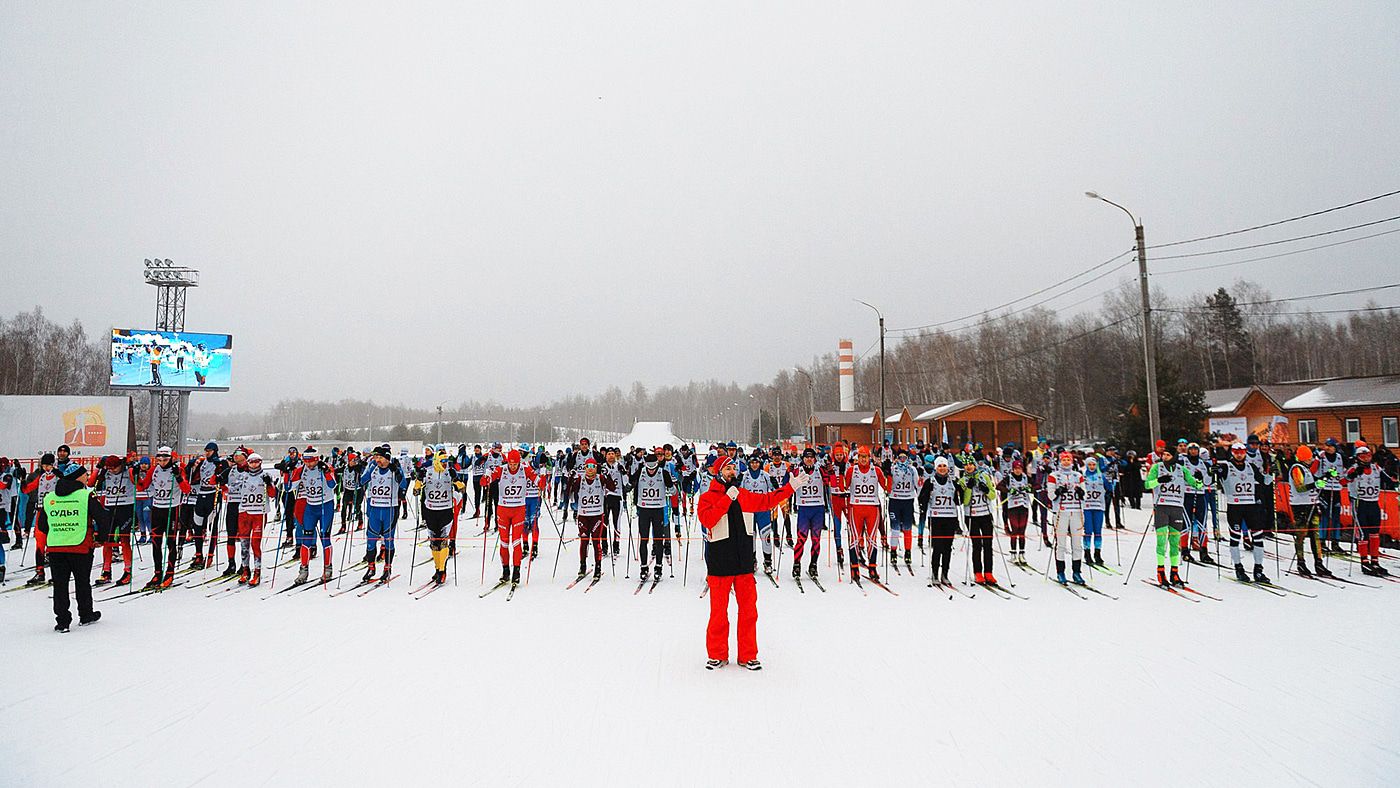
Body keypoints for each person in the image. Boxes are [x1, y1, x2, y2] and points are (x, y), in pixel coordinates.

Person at [697, 454, 802, 671]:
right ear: (718, 473)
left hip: (744, 562)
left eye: (734, 468)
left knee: (748, 612)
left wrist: (790, 488)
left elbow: (767, 500)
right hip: (719, 564)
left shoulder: (743, 495)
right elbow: (708, 519)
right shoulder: (708, 497)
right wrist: (727, 499)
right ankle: (717, 654)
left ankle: (748, 655)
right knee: (718, 613)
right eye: (727, 469)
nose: (732, 472)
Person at [42, 467, 101, 632]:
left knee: (60, 585)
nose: (87, 477)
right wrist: (101, 538)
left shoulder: (50, 497)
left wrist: (59, 532)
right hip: (80, 546)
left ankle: (62, 621)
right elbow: (103, 517)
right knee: (82, 582)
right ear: (78, 477)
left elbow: (42, 525)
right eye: (85, 475)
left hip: (55, 547)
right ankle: (86, 615)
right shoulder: (85, 495)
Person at [480, 449, 546, 589]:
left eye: (515, 464)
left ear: (519, 462)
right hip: (503, 510)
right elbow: (484, 482)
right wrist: (486, 478)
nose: (513, 466)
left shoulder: (525, 469)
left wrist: (543, 476)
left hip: (518, 510)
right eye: (511, 463)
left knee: (516, 542)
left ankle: (516, 571)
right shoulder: (501, 469)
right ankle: (505, 571)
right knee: (504, 543)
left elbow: (540, 483)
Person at [1144, 444, 1200, 587]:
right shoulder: (1157, 467)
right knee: (1161, 542)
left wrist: (1199, 479)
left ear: (1174, 456)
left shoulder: (1182, 470)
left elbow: (1197, 486)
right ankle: (1160, 571)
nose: (1165, 457)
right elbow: (1147, 485)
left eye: (1168, 455)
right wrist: (1158, 481)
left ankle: (1174, 572)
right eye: (1163, 455)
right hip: (1162, 507)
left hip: (1177, 508)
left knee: (1175, 543)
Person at [137, 446, 191, 589]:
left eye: (165, 459)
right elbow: (142, 486)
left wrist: (178, 477)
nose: (162, 462)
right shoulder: (153, 470)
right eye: (159, 460)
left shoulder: (178, 469)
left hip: (172, 509)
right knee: (156, 542)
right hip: (157, 509)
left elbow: (187, 489)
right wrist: (135, 474)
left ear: (170, 458)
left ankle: (170, 572)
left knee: (171, 542)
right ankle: (157, 572)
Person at [1220, 442, 1273, 584]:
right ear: (1232, 452)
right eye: (1236, 452)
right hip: (1235, 507)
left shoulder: (1251, 466)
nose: (1239, 454)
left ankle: (1258, 570)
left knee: (1258, 537)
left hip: (1251, 506)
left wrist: (1271, 474)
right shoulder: (1226, 466)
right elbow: (1211, 478)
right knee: (1235, 538)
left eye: (1242, 451)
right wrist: (1213, 471)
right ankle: (1239, 568)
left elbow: (1265, 482)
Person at [413, 448, 463, 587]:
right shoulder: (428, 472)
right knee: (434, 543)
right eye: (443, 461)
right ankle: (437, 568)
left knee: (443, 542)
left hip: (446, 511)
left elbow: (462, 489)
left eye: (447, 461)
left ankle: (443, 570)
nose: (446, 463)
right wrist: (418, 479)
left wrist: (456, 479)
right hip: (430, 511)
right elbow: (415, 491)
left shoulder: (449, 472)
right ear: (436, 461)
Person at [288, 447, 336, 585]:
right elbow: (288, 488)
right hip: (310, 507)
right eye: (306, 461)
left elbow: (332, 484)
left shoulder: (325, 467)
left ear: (317, 459)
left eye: (311, 461)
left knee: (325, 537)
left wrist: (326, 471)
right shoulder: (301, 470)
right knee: (306, 540)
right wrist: (287, 472)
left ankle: (328, 569)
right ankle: (303, 571)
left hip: (325, 506)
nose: (308, 464)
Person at [628, 451, 678, 584]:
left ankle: (658, 567)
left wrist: (672, 486)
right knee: (644, 539)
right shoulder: (641, 471)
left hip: (658, 510)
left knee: (658, 540)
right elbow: (631, 481)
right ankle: (643, 567)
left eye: (653, 466)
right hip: (644, 509)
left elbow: (673, 491)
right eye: (649, 467)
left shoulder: (663, 472)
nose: (651, 470)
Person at [843, 445, 890, 584]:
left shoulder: (876, 470)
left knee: (871, 539)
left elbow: (887, 487)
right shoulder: (852, 470)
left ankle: (872, 567)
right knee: (855, 539)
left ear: (869, 457)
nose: (863, 460)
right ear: (858, 458)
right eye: (861, 457)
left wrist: (889, 474)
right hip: (856, 507)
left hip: (872, 508)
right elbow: (844, 486)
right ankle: (854, 567)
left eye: (866, 457)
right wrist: (839, 475)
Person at [361, 447, 408, 584]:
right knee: (370, 540)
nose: (377, 460)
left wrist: (398, 473)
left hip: (389, 509)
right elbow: (362, 482)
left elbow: (404, 484)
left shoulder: (394, 467)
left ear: (387, 458)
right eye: (376, 458)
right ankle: (371, 568)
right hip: (375, 508)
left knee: (388, 540)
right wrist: (364, 471)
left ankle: (387, 568)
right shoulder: (373, 467)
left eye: (380, 458)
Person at [1345, 444, 1393, 576]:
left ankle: (1375, 561)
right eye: (1363, 456)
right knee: (1363, 534)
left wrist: (1393, 480)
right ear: (1358, 457)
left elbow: (1388, 480)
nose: (1366, 458)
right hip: (1360, 504)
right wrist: (1353, 475)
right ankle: (1364, 563)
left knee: (1375, 533)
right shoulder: (1354, 468)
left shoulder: (1375, 467)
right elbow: (1343, 481)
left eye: (1368, 455)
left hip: (1373, 503)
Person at [91, 454, 138, 587]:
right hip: (110, 507)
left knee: (124, 539)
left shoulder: (127, 470)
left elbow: (137, 483)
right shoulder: (106, 472)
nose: (111, 470)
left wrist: (134, 469)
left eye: (114, 468)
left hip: (126, 507)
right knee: (107, 540)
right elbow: (90, 483)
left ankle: (127, 571)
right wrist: (98, 468)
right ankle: (106, 571)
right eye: (109, 468)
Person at [1286, 445, 1331, 579]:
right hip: (1300, 506)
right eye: (1310, 456)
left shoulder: (1306, 469)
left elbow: (1312, 484)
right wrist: (1316, 485)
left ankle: (1319, 563)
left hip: (1312, 503)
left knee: (1315, 535)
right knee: (1301, 534)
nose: (1312, 459)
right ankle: (1301, 563)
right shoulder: (1296, 468)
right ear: (1305, 457)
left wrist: (1324, 477)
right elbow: (1299, 487)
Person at [568, 458, 616, 581]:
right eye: (588, 466)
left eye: (593, 466)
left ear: (596, 468)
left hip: (597, 515)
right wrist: (570, 478)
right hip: (583, 516)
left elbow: (612, 488)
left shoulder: (600, 478)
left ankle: (598, 568)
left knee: (596, 542)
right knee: (584, 541)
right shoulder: (581, 479)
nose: (590, 468)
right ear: (585, 467)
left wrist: (607, 474)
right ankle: (582, 566)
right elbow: (570, 490)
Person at [236, 454, 279, 586]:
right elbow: (231, 490)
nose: (254, 465)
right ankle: (245, 570)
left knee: (255, 543)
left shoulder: (265, 475)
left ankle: (257, 572)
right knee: (244, 544)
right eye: (251, 462)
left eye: (256, 462)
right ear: (248, 463)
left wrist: (269, 484)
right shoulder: (242, 475)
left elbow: (272, 494)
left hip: (259, 513)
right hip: (244, 512)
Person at [1045, 450, 1086, 585]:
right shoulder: (1054, 476)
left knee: (1077, 544)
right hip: (1061, 512)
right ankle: (1060, 572)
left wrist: (1080, 492)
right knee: (1061, 544)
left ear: (1072, 461)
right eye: (1064, 460)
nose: (1066, 462)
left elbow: (1085, 496)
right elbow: (1050, 496)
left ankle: (1076, 572)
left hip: (1076, 512)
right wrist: (1058, 491)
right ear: (1060, 461)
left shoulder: (1078, 475)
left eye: (1068, 460)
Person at [790, 448, 829, 582]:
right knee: (801, 539)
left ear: (815, 458)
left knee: (816, 539)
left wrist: (831, 470)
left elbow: (830, 482)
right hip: (804, 508)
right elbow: (787, 483)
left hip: (818, 508)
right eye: (806, 457)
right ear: (803, 459)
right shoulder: (797, 470)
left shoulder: (820, 469)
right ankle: (796, 564)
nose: (809, 459)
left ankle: (813, 564)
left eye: (811, 457)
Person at [884, 448, 922, 573]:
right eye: (900, 457)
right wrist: (887, 474)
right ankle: (893, 551)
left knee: (907, 528)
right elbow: (887, 485)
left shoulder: (912, 470)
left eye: (904, 457)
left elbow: (917, 484)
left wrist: (921, 495)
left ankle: (908, 552)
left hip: (908, 501)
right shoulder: (893, 469)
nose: (902, 460)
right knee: (895, 528)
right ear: (896, 458)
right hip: (895, 501)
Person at [1314, 438, 1347, 553]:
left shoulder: (1339, 457)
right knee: (1324, 516)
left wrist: (1349, 479)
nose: (1328, 448)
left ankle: (1335, 542)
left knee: (1336, 517)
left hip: (1336, 489)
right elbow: (1313, 471)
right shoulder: (1321, 456)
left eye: (1331, 446)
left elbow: (1342, 475)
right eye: (1326, 445)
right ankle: (1322, 541)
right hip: (1324, 490)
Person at [998, 460, 1033, 565]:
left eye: (1020, 468)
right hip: (1013, 507)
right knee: (1015, 530)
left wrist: (1029, 488)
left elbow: (1037, 486)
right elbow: (998, 486)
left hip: (1024, 506)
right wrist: (1009, 491)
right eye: (1016, 469)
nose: (1018, 471)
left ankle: (1022, 554)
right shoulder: (1009, 478)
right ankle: (1013, 554)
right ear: (1013, 469)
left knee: (1022, 531)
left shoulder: (1026, 477)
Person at [1081, 456, 1108, 566]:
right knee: (1088, 531)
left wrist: (1112, 487)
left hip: (1099, 506)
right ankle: (1087, 553)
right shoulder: (1082, 476)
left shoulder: (1101, 476)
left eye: (1093, 465)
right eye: (1090, 465)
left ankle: (1097, 554)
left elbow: (1109, 487)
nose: (1092, 467)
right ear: (1087, 465)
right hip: (1087, 507)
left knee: (1098, 531)